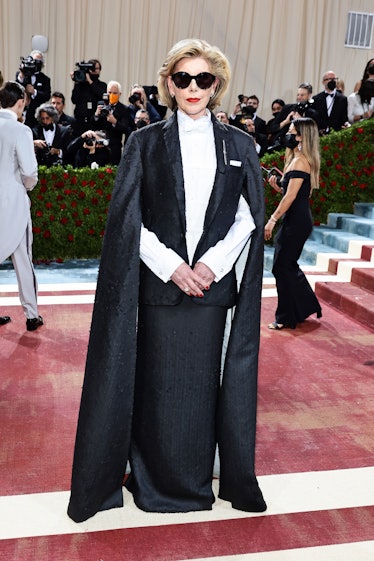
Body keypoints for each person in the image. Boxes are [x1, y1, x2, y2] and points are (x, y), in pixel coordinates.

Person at [68, 37, 267, 523]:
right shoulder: (144, 142)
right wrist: (172, 265)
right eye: (183, 78)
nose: (193, 87)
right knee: (155, 387)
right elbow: (127, 219)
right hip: (160, 288)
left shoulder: (240, 145)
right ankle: (152, 482)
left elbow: (248, 218)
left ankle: (196, 481)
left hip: (211, 290)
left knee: (202, 391)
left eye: (203, 78)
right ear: (170, 85)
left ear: (216, 84)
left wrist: (211, 266)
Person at [264, 117, 322, 330]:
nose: (287, 135)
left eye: (292, 132)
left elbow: (290, 199)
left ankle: (286, 317)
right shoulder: (297, 159)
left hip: (296, 221)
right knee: (286, 266)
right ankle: (304, 306)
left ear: (301, 137)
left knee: (282, 266)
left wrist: (271, 220)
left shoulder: (300, 161)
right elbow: (291, 194)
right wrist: (278, 187)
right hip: (296, 218)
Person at [0, 81, 43, 331]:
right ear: (20, 103)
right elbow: (29, 172)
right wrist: (25, 187)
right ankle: (31, 314)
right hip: (13, 202)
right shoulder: (20, 131)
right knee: (24, 258)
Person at [268, 83, 320, 149]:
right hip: (283, 146)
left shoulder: (313, 114)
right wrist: (286, 121)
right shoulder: (287, 108)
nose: (299, 97)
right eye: (298, 94)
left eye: (302, 95)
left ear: (309, 95)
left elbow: (313, 134)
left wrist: (301, 121)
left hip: (303, 147)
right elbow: (272, 128)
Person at [91, 80, 130, 164]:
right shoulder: (101, 105)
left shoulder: (124, 109)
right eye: (109, 92)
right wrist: (96, 115)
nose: (112, 95)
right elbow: (92, 124)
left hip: (114, 147)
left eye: (115, 93)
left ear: (120, 94)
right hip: (99, 146)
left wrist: (115, 121)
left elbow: (125, 129)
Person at [15, 50, 51, 129]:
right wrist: (22, 73)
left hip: (36, 116)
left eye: (39, 61)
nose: (36, 63)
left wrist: (34, 92)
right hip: (21, 115)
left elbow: (47, 96)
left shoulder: (45, 79)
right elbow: (16, 88)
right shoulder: (21, 75)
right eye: (34, 61)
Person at [71, 59, 107, 136]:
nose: (94, 71)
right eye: (92, 69)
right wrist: (76, 82)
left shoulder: (102, 85)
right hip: (80, 121)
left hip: (95, 122)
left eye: (97, 68)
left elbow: (102, 95)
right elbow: (74, 100)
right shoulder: (80, 85)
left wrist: (90, 81)